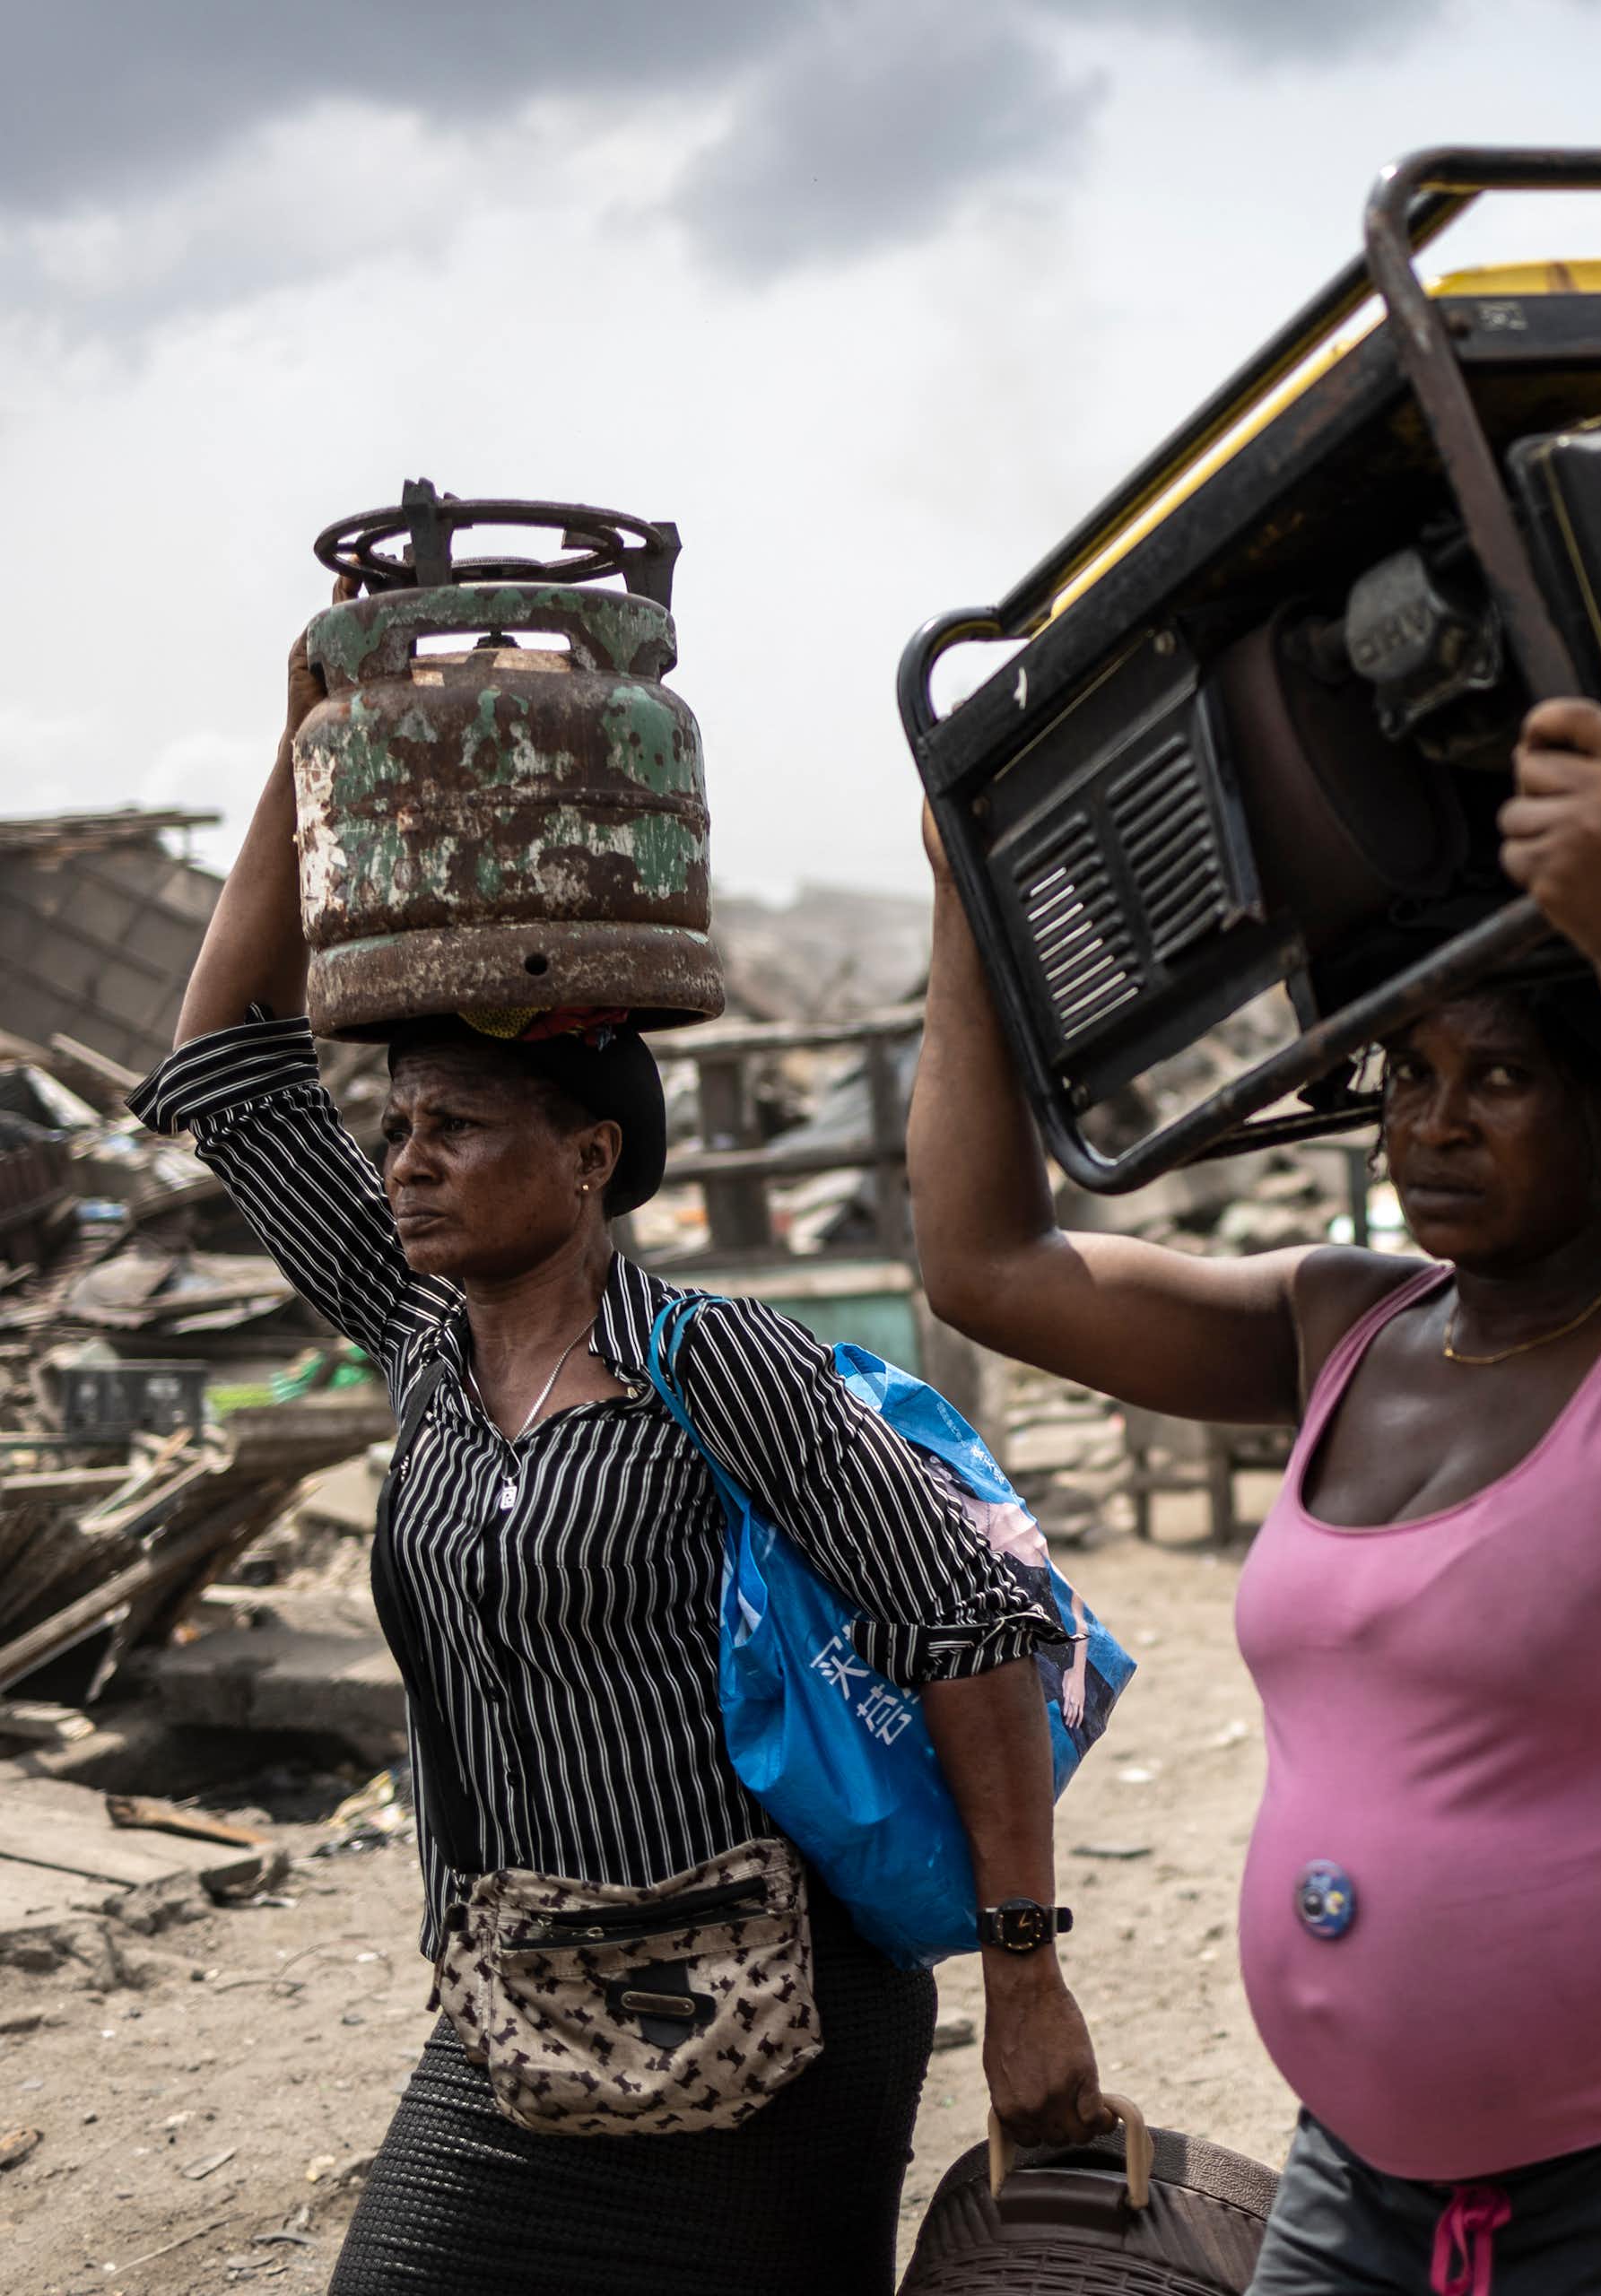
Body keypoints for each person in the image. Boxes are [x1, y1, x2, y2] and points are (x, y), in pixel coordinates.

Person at [132, 601, 1108, 2296]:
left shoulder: (715, 1364)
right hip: (516, 2014)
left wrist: (1026, 1969)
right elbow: (225, 1070)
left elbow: (968, 1625)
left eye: (455, 1128)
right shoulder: (421, 1339)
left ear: (589, 1160)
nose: (406, 1164)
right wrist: (303, 757)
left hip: (772, 2026)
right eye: (397, 1127)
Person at [909, 696, 1601, 2295]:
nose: (1431, 1123)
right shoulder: (1340, 1326)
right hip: (1364, 2180)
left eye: (1498, 1075)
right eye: (1407, 1071)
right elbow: (988, 1266)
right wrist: (964, 902)